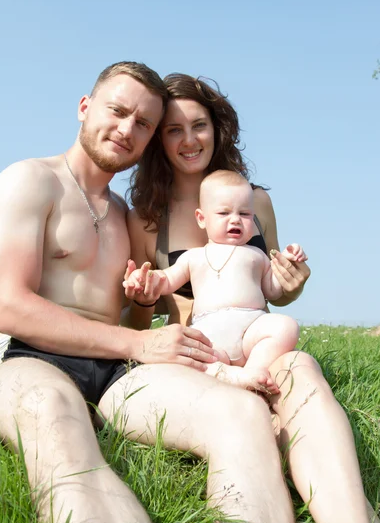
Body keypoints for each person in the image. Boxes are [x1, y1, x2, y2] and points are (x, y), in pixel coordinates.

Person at [0, 61, 301, 523]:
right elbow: (10, 307)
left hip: (114, 371)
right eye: (117, 111)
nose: (127, 129)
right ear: (85, 107)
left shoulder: (125, 217)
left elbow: (138, 319)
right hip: (27, 356)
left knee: (241, 413)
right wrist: (136, 345)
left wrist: (144, 304)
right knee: (55, 416)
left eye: (144, 124)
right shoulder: (30, 180)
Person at [125, 73, 380, 523]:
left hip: (256, 342)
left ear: (217, 128)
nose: (188, 139)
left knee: (301, 366)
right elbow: (147, 311)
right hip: (200, 354)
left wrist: (293, 282)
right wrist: (142, 296)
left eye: (198, 125)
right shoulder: (147, 218)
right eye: (173, 129)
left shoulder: (255, 200)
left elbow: (274, 287)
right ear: (158, 139)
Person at [125, 169, 308, 394]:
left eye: (245, 214)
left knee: (286, 326)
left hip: (252, 328)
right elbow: (166, 280)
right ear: (202, 219)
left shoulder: (256, 254)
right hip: (210, 334)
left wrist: (288, 262)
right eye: (224, 213)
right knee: (191, 360)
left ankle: (254, 372)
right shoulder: (194, 256)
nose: (235, 220)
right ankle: (229, 376)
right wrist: (145, 278)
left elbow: (273, 290)